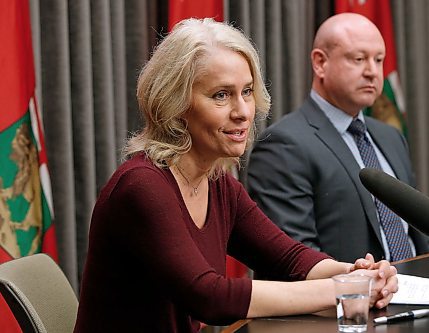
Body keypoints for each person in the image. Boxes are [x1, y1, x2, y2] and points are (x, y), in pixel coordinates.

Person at [73, 18, 398, 333]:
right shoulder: (141, 186)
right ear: (175, 103)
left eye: (246, 92)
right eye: (221, 95)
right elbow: (210, 297)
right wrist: (344, 290)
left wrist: (354, 272)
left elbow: (288, 258)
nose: (243, 111)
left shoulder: (218, 184)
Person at [247, 13, 429, 264]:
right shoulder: (282, 144)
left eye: (379, 60)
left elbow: (423, 225)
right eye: (359, 59)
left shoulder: (391, 136)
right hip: (348, 298)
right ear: (320, 63)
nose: (372, 72)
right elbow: (293, 256)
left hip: (421, 293)